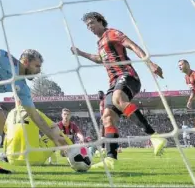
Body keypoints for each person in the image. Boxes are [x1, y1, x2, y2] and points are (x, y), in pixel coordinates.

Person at [71, 12, 167, 169]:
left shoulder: (113, 33)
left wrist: (150, 64)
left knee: (117, 99)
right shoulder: (100, 43)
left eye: (92, 23)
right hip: (113, 82)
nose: (90, 27)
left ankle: (155, 137)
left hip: (127, 76)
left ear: (101, 21)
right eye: (88, 25)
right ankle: (110, 159)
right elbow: (99, 59)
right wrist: (81, 53)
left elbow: (133, 45)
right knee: (107, 117)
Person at [3, 100, 73, 166]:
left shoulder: (10, 113)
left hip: (12, 159)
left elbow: (6, 134)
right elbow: (56, 128)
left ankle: (5, 155)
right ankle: (71, 154)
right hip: (34, 159)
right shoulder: (35, 112)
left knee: (7, 134)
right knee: (55, 132)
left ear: (16, 102)